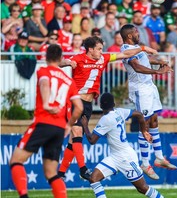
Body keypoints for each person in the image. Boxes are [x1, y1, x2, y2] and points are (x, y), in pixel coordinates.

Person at [58, 36, 158, 181]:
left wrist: (143, 48)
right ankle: (83, 169)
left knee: (74, 140)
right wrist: (67, 62)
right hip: (75, 100)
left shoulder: (103, 58)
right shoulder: (79, 58)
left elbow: (124, 54)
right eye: (98, 49)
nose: (101, 51)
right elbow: (61, 62)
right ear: (90, 49)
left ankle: (60, 173)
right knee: (78, 131)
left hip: (88, 104)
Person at [9, 44, 83, 198]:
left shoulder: (44, 71)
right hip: (59, 129)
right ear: (61, 58)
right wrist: (69, 125)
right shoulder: (69, 81)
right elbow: (79, 107)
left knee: (16, 161)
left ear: (46, 57)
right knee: (51, 173)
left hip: (43, 123)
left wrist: (45, 104)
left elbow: (44, 84)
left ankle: (23, 196)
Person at [120, 24, 177, 180]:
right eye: (136, 32)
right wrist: (158, 71)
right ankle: (145, 163)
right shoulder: (126, 49)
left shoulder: (136, 47)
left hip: (149, 86)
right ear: (130, 35)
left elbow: (145, 60)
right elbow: (137, 67)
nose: (139, 34)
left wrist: (159, 62)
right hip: (140, 88)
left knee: (153, 120)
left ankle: (158, 157)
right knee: (144, 123)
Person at [82, 92, 164, 198]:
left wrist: (85, 126)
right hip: (115, 157)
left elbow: (92, 140)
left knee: (142, 188)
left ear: (101, 105)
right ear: (114, 104)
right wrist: (144, 131)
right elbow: (139, 115)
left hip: (126, 158)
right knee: (94, 178)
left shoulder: (105, 119)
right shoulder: (119, 112)